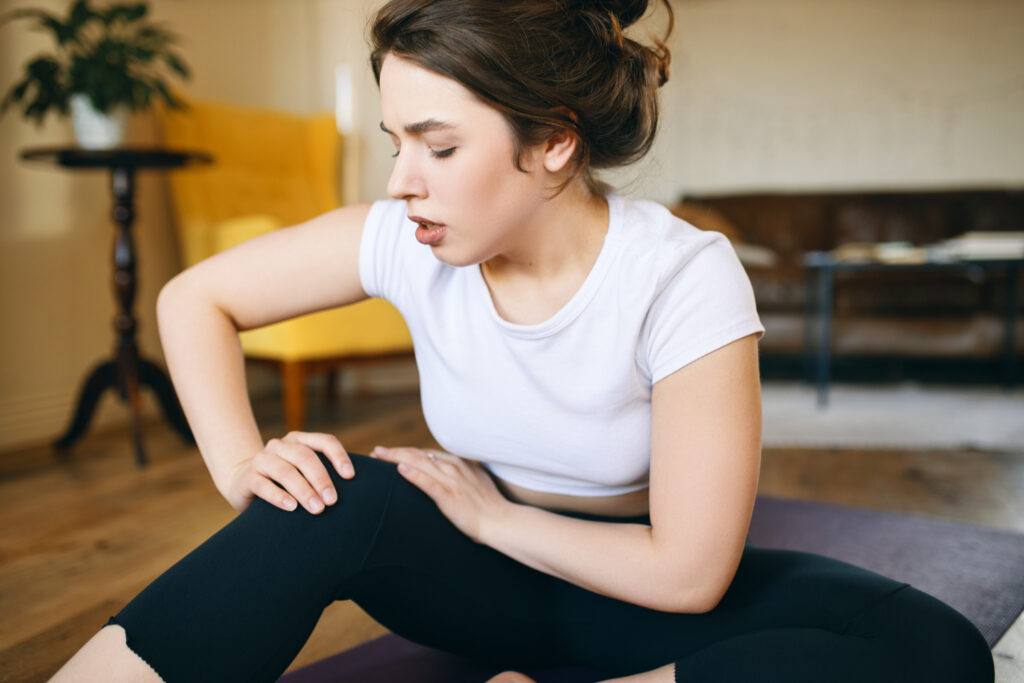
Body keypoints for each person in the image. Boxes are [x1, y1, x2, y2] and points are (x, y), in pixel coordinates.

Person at [51, 1, 994, 681]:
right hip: (473, 586)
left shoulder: (682, 273)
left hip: (639, 594)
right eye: (395, 142)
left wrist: (496, 518)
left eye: (439, 145)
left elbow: (691, 574)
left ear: (553, 141)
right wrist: (240, 466)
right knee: (331, 497)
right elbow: (193, 299)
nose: (403, 181)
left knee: (933, 647)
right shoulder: (405, 238)